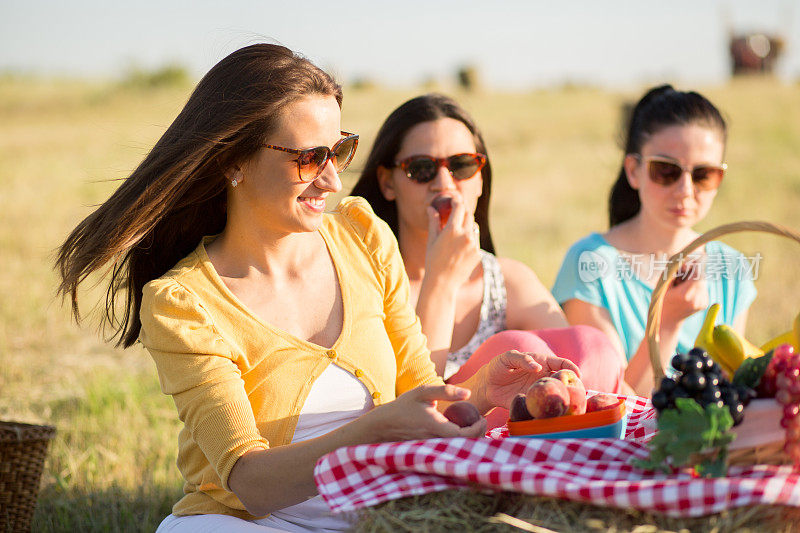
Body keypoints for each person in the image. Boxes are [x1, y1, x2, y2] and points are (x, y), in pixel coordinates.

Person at [55, 45, 580, 532]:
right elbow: (251, 485)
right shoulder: (183, 303)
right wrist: (374, 431)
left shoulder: (363, 234)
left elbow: (416, 391)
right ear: (232, 161)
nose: (332, 181)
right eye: (309, 158)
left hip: (376, 519)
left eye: (340, 150)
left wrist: (483, 390)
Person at [350, 94, 625, 426]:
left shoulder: (506, 280)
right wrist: (442, 279)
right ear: (387, 182)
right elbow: (415, 408)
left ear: (480, 178)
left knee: (590, 345)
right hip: (437, 455)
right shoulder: (366, 283)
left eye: (462, 165)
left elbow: (589, 372)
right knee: (513, 347)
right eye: (421, 169)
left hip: (537, 450)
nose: (444, 183)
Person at [552, 84, 757, 396]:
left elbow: (732, 388)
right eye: (666, 171)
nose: (685, 190)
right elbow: (612, 405)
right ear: (633, 171)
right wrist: (666, 323)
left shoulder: (732, 268)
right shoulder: (589, 263)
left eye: (703, 174)